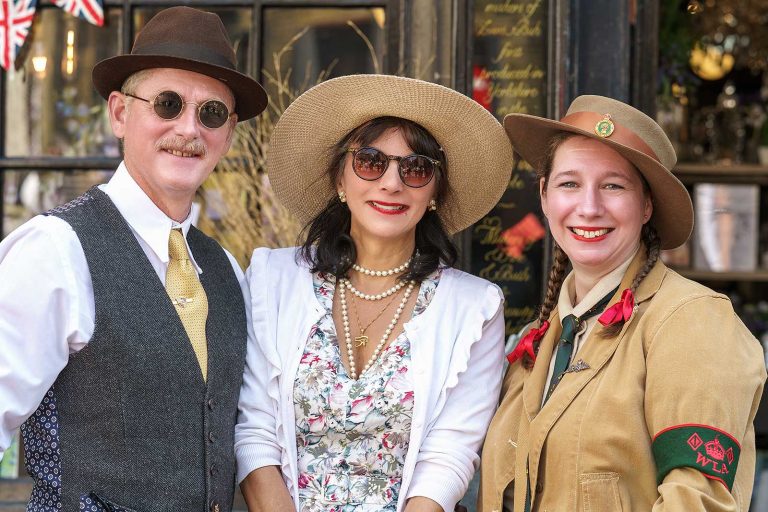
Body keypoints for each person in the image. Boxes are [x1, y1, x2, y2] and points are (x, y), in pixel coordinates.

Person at [0, 7, 267, 511]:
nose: (189, 129)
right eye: (168, 104)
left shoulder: (227, 271)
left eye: (211, 113)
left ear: (229, 134)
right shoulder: (56, 250)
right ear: (120, 113)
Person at [234, 74, 513, 512]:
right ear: (340, 180)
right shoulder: (272, 279)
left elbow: (449, 455)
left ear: (435, 191)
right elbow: (255, 429)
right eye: (370, 161)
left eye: (416, 168)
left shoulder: (475, 308)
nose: (391, 183)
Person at [478, 95, 767, 511]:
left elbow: (697, 500)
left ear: (646, 204)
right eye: (569, 184)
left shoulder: (691, 321)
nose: (589, 207)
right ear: (544, 195)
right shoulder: (539, 339)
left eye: (613, 185)